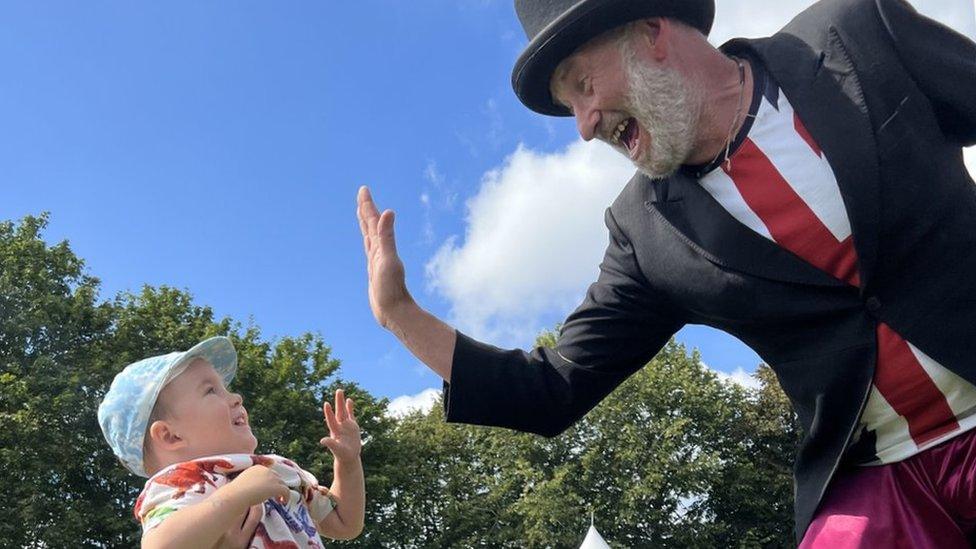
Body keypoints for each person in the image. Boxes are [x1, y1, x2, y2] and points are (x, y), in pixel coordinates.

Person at [357, 0, 976, 545]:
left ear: (652, 30)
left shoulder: (854, 30)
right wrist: (400, 317)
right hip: (875, 482)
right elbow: (552, 388)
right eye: (570, 104)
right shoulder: (646, 233)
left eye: (582, 85)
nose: (584, 124)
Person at [97, 336, 365, 548]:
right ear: (170, 436)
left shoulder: (278, 469)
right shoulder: (181, 483)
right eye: (211, 390)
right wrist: (235, 496)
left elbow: (344, 524)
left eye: (225, 388)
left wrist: (348, 464)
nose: (236, 397)